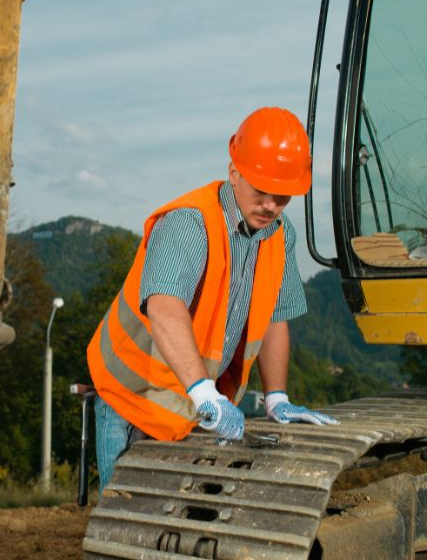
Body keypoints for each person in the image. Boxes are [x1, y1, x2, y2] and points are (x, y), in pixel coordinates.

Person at [86, 106, 339, 491]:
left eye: (283, 197)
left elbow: (274, 318)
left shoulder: (279, 234)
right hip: (132, 398)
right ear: (234, 171)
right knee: (127, 523)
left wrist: (276, 397)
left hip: (191, 403)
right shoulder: (189, 223)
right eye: (261, 191)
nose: (271, 205)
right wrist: (205, 392)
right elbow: (164, 306)